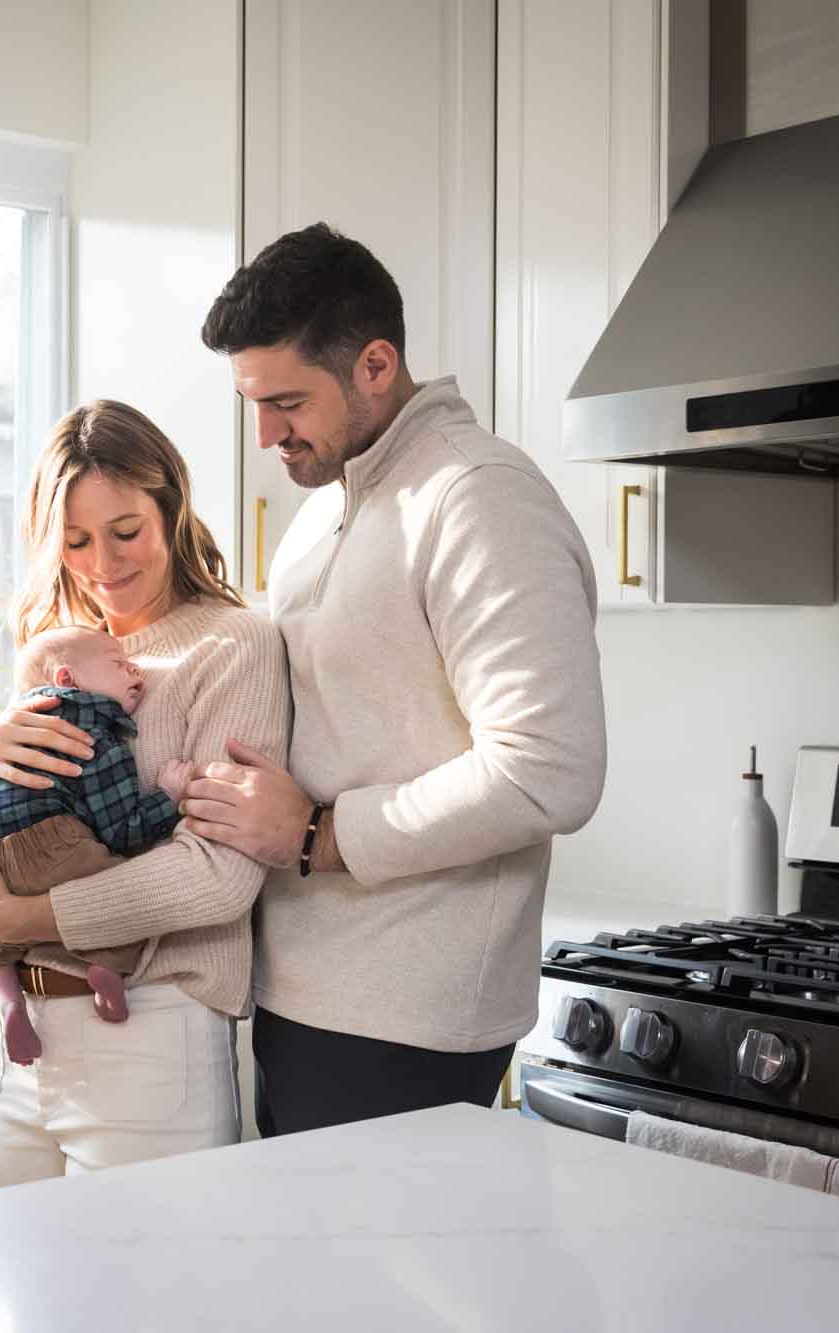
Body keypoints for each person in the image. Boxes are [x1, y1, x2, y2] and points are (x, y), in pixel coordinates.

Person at [182, 222, 607, 1136]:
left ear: (376, 365)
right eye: (252, 404)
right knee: (312, 1281)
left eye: (286, 401)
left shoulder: (479, 498)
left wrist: (319, 836)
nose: (265, 435)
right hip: (302, 989)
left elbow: (550, 768)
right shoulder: (323, 509)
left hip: (406, 1015)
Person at [0, 399, 290, 1186]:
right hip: (21, 1033)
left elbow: (219, 876)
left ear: (170, 503)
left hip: (147, 1035)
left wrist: (21, 918)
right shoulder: (56, 654)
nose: (102, 562)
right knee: (29, 1307)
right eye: (75, 541)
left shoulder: (231, 645)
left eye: (125, 530)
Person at [0, 625, 195, 1062]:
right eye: (117, 663)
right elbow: (122, 829)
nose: (133, 668)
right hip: (51, 838)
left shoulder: (13, 722)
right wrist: (168, 797)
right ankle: (106, 968)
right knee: (124, 897)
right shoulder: (91, 726)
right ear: (68, 680)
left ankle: (7, 1000)